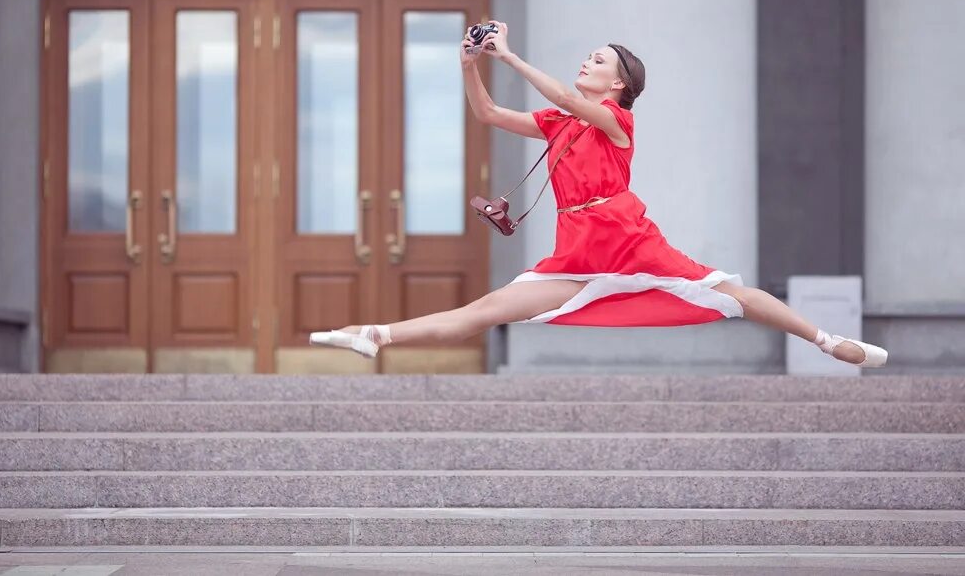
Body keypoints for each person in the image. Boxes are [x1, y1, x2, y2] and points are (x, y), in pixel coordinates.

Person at [311, 20, 887, 368]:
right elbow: (487, 113)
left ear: (619, 85)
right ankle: (376, 334)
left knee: (734, 293)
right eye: (589, 55)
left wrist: (508, 55)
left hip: (629, 241)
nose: (588, 61)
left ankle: (827, 341)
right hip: (580, 248)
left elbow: (565, 96)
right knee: (485, 312)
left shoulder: (617, 121)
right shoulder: (561, 123)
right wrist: (469, 66)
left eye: (599, 60)